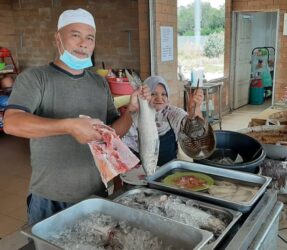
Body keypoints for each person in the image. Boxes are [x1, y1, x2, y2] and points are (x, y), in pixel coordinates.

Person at [3, 8, 150, 225]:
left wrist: (132, 109)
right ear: (58, 38)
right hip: (49, 197)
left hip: (95, 193)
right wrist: (70, 126)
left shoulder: (99, 83)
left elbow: (113, 132)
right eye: (75, 35)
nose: (83, 44)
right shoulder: (36, 78)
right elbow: (12, 122)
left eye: (89, 38)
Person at [122, 75, 204, 166]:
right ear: (145, 95)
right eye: (153, 94)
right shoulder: (134, 117)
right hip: (140, 174)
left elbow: (196, 132)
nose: (159, 98)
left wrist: (194, 110)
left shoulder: (172, 113)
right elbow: (120, 147)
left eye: (163, 94)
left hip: (169, 173)